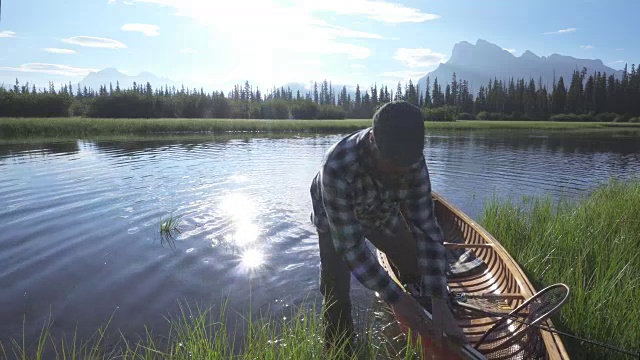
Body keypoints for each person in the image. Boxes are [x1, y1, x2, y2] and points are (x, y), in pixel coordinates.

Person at [309, 100, 467, 350]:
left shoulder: (413, 162)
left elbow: (426, 229)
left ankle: (431, 328)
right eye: (393, 165)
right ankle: (340, 349)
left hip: (382, 213)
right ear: (372, 140)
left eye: (406, 166)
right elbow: (350, 248)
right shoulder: (337, 167)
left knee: (416, 267)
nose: (400, 173)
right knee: (336, 292)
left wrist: (439, 298)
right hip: (334, 219)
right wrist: (395, 297)